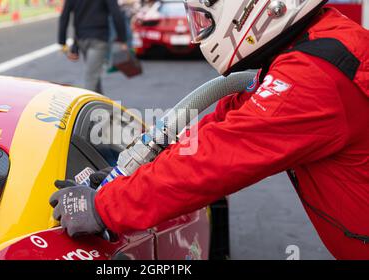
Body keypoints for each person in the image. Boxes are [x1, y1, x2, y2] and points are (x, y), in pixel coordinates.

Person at [50, 0, 369, 259]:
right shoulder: (314, 49)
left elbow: (212, 160)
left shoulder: (317, 75)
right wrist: (127, 175)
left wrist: (104, 206)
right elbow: (214, 132)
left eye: (204, 20)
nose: (198, 35)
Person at [58, 0, 128, 94]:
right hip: (99, 39)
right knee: (92, 77)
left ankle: (101, 105)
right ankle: (89, 106)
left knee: (93, 74)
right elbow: (116, 14)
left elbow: (65, 17)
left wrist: (63, 43)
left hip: (81, 39)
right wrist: (123, 39)